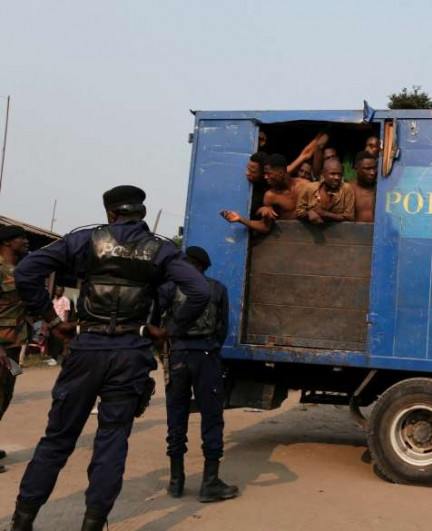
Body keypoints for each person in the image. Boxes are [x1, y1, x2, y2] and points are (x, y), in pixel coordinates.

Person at [10, 185, 211, 531]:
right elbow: (200, 290)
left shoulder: (85, 240)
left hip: (86, 348)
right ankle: (93, 523)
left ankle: (22, 521)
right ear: (142, 213)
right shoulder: (161, 250)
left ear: (110, 213)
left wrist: (53, 321)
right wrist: (168, 330)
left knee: (58, 438)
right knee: (112, 440)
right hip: (131, 352)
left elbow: (26, 271)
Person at [156, 246, 238, 502]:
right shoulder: (217, 288)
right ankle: (210, 483)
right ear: (204, 266)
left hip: (177, 355)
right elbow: (222, 327)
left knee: (176, 416)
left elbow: (156, 322)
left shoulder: (169, 288)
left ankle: (176, 482)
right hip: (206, 355)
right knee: (211, 417)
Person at [0, 225, 30, 475]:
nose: (26, 242)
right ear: (8, 242)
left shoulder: (18, 271)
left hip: (12, 346)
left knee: (5, 394)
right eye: (22, 238)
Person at [221, 154, 309, 233]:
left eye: (268, 173)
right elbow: (265, 227)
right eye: (264, 174)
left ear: (281, 172)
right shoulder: (270, 196)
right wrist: (240, 219)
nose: (265, 177)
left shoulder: (305, 186)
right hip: (287, 238)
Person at [296, 159, 355, 225]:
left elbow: (349, 217)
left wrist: (324, 214)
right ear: (323, 173)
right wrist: (308, 214)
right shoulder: (309, 189)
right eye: (333, 174)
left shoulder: (346, 189)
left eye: (339, 174)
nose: (337, 177)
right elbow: (298, 213)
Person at [46, 286, 70, 366]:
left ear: (63, 291)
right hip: (53, 322)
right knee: (52, 340)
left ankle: (55, 359)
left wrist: (65, 323)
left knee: (57, 341)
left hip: (60, 322)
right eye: (57, 290)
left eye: (60, 290)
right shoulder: (54, 300)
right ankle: (52, 357)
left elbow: (66, 312)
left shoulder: (65, 300)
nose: (58, 291)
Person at [351, 151, 378, 222]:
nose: (372, 172)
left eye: (375, 168)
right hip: (353, 229)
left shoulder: (381, 189)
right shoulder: (348, 189)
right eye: (367, 169)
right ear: (356, 169)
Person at [246, 152, 268, 218]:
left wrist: (261, 210)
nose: (247, 173)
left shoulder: (268, 191)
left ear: (263, 173)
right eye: (248, 169)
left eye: (253, 172)